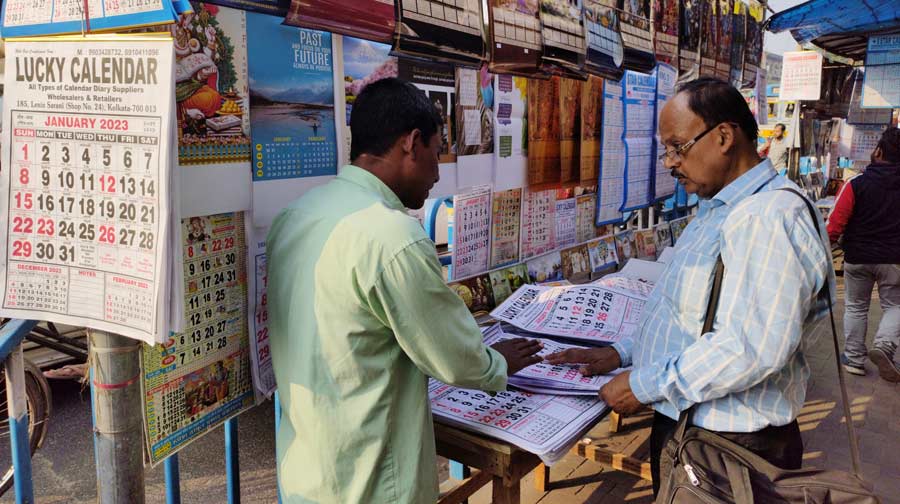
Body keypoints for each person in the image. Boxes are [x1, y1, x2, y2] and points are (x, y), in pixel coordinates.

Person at [547, 77, 833, 496]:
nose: (668, 161)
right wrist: (622, 352)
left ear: (722, 137)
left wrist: (644, 386)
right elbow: (688, 313)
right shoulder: (721, 208)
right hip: (699, 432)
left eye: (676, 146)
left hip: (728, 445)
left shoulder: (766, 216)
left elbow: (749, 345)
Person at [266, 78, 543, 504]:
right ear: (412, 144)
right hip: (372, 483)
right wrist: (497, 362)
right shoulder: (395, 237)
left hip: (307, 471)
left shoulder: (296, 215)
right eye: (437, 152)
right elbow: (453, 356)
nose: (438, 171)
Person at [826, 127, 900, 383]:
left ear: (878, 152)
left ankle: (854, 359)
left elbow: (835, 225)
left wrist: (826, 248)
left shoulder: (855, 184)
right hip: (894, 259)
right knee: (896, 306)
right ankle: (884, 344)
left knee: (856, 308)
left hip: (857, 258)